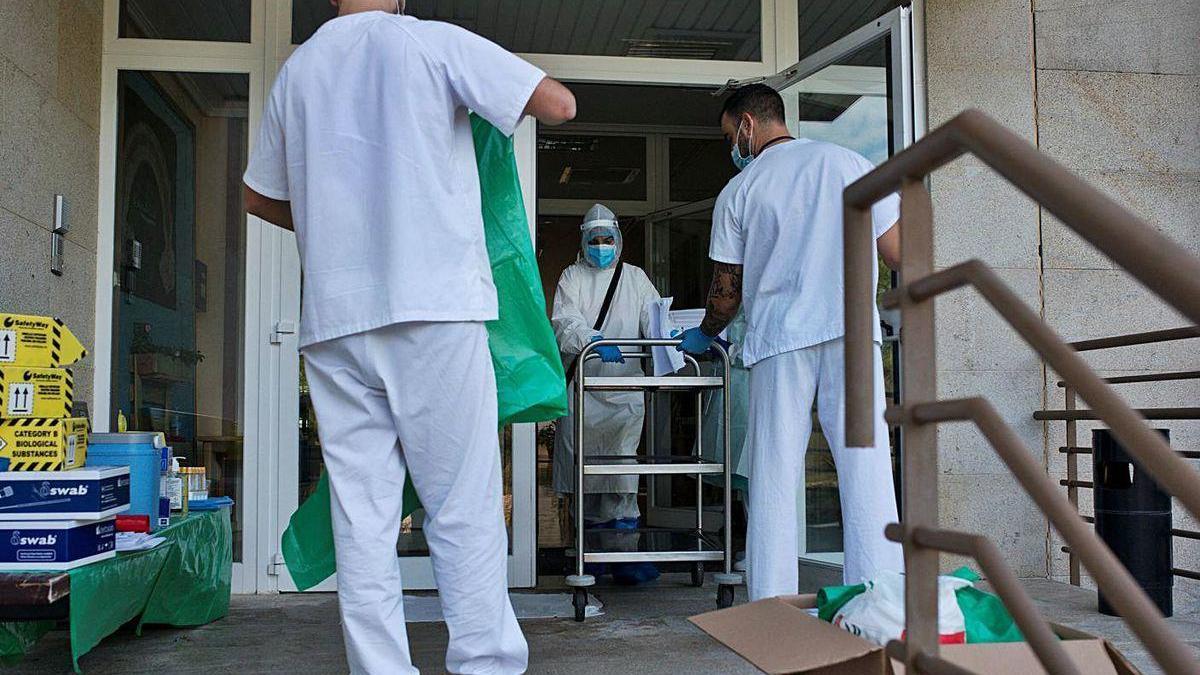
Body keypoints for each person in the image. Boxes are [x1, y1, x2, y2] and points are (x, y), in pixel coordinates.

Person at [241, 0, 576, 672]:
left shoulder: (297, 71)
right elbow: (558, 104)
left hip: (336, 322)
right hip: (434, 306)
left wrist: (332, 219)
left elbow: (256, 195)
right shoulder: (432, 44)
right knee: (460, 507)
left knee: (361, 521)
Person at [678, 84, 904, 599]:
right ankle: (878, 600)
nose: (730, 147)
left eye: (728, 135)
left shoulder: (741, 191)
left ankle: (771, 607)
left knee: (775, 474)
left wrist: (704, 333)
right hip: (851, 332)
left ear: (748, 126)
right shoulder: (851, 164)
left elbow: (726, 294)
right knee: (866, 469)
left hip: (781, 341)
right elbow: (897, 253)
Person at [551, 204, 662, 584]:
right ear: (584, 242)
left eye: (607, 240)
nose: (601, 246)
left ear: (618, 241)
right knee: (587, 480)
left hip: (626, 393)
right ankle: (589, 554)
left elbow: (653, 318)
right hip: (583, 392)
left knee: (622, 476)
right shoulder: (572, 277)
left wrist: (671, 339)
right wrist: (594, 340)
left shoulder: (634, 278)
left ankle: (625, 555)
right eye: (595, 240)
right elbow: (565, 323)